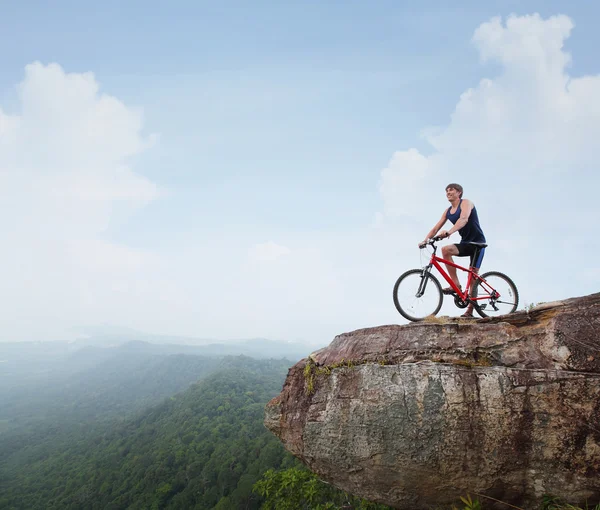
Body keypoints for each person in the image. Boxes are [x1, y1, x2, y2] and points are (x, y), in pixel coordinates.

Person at [419, 183, 486, 318]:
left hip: (477, 244)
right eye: (446, 191)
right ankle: (455, 284)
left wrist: (449, 232)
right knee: (445, 250)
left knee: (473, 277)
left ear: (459, 192)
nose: (448, 192)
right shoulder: (448, 211)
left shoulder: (466, 203)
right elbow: (435, 228)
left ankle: (470, 311)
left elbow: (463, 219)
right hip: (465, 243)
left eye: (451, 190)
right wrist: (425, 240)